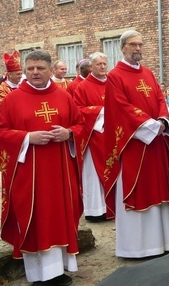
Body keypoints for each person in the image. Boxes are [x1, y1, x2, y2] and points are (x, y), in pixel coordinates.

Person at [0, 49, 85, 286]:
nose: (35, 72)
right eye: (30, 68)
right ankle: (39, 275)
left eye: (40, 68)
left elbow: (80, 124)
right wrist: (27, 138)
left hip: (61, 171)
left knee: (60, 215)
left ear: (49, 70)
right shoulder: (12, 99)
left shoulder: (64, 96)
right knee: (35, 218)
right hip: (29, 174)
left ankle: (58, 270)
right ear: (24, 70)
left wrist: (69, 133)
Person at [103, 30, 169, 258]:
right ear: (122, 48)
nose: (138, 49)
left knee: (157, 188)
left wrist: (163, 120)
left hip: (155, 145)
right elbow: (120, 108)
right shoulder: (115, 76)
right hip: (134, 143)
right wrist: (151, 126)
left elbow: (159, 99)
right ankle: (135, 248)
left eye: (140, 45)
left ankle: (161, 244)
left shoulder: (148, 73)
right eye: (133, 45)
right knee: (137, 189)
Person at [73, 53, 108, 222]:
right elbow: (78, 111)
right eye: (98, 64)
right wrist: (101, 112)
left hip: (112, 136)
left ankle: (112, 207)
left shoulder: (113, 83)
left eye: (104, 64)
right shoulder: (82, 87)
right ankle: (96, 210)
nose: (102, 67)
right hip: (92, 137)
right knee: (93, 175)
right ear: (91, 67)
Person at [0, 51, 24, 171]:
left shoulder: (23, 86)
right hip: (10, 127)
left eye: (21, 73)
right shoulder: (1, 89)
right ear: (9, 74)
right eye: (18, 74)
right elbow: (4, 109)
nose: (20, 76)